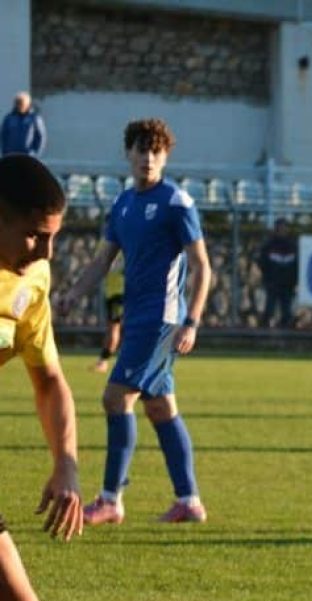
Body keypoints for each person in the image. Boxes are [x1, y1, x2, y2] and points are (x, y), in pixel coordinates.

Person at [61, 118, 212, 525]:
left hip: (161, 320)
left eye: (156, 151)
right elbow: (102, 260)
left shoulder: (176, 202)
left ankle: (110, 499)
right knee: (161, 408)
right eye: (141, 150)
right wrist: (74, 293)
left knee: (115, 397)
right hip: (138, 318)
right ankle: (188, 501)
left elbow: (202, 266)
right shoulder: (123, 204)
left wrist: (192, 321)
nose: (148, 158)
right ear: (128, 154)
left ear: (166, 156)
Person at [0, 154, 85, 601]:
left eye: (52, 235)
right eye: (34, 232)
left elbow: (49, 378)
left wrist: (67, 465)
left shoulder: (33, 281)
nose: (44, 248)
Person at [257, 218, 298, 328]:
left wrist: (294, 281)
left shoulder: (293, 246)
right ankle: (264, 331)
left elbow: (297, 265)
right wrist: (267, 277)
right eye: (279, 228)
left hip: (288, 284)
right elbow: (262, 262)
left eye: (284, 228)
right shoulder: (269, 245)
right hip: (272, 283)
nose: (282, 230)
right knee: (269, 309)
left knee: (286, 310)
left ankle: (286, 333)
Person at [92, 252, 125, 374]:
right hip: (111, 292)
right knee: (112, 327)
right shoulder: (108, 240)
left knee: (114, 328)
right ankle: (103, 360)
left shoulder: (124, 244)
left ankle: (103, 362)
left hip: (119, 292)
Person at [0, 92, 46, 157]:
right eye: (17, 103)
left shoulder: (34, 118)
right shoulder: (9, 118)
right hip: (11, 155)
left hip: (27, 156)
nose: (19, 106)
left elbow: (41, 137)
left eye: (21, 103)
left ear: (27, 104)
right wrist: (4, 152)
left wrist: (35, 153)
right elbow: (3, 136)